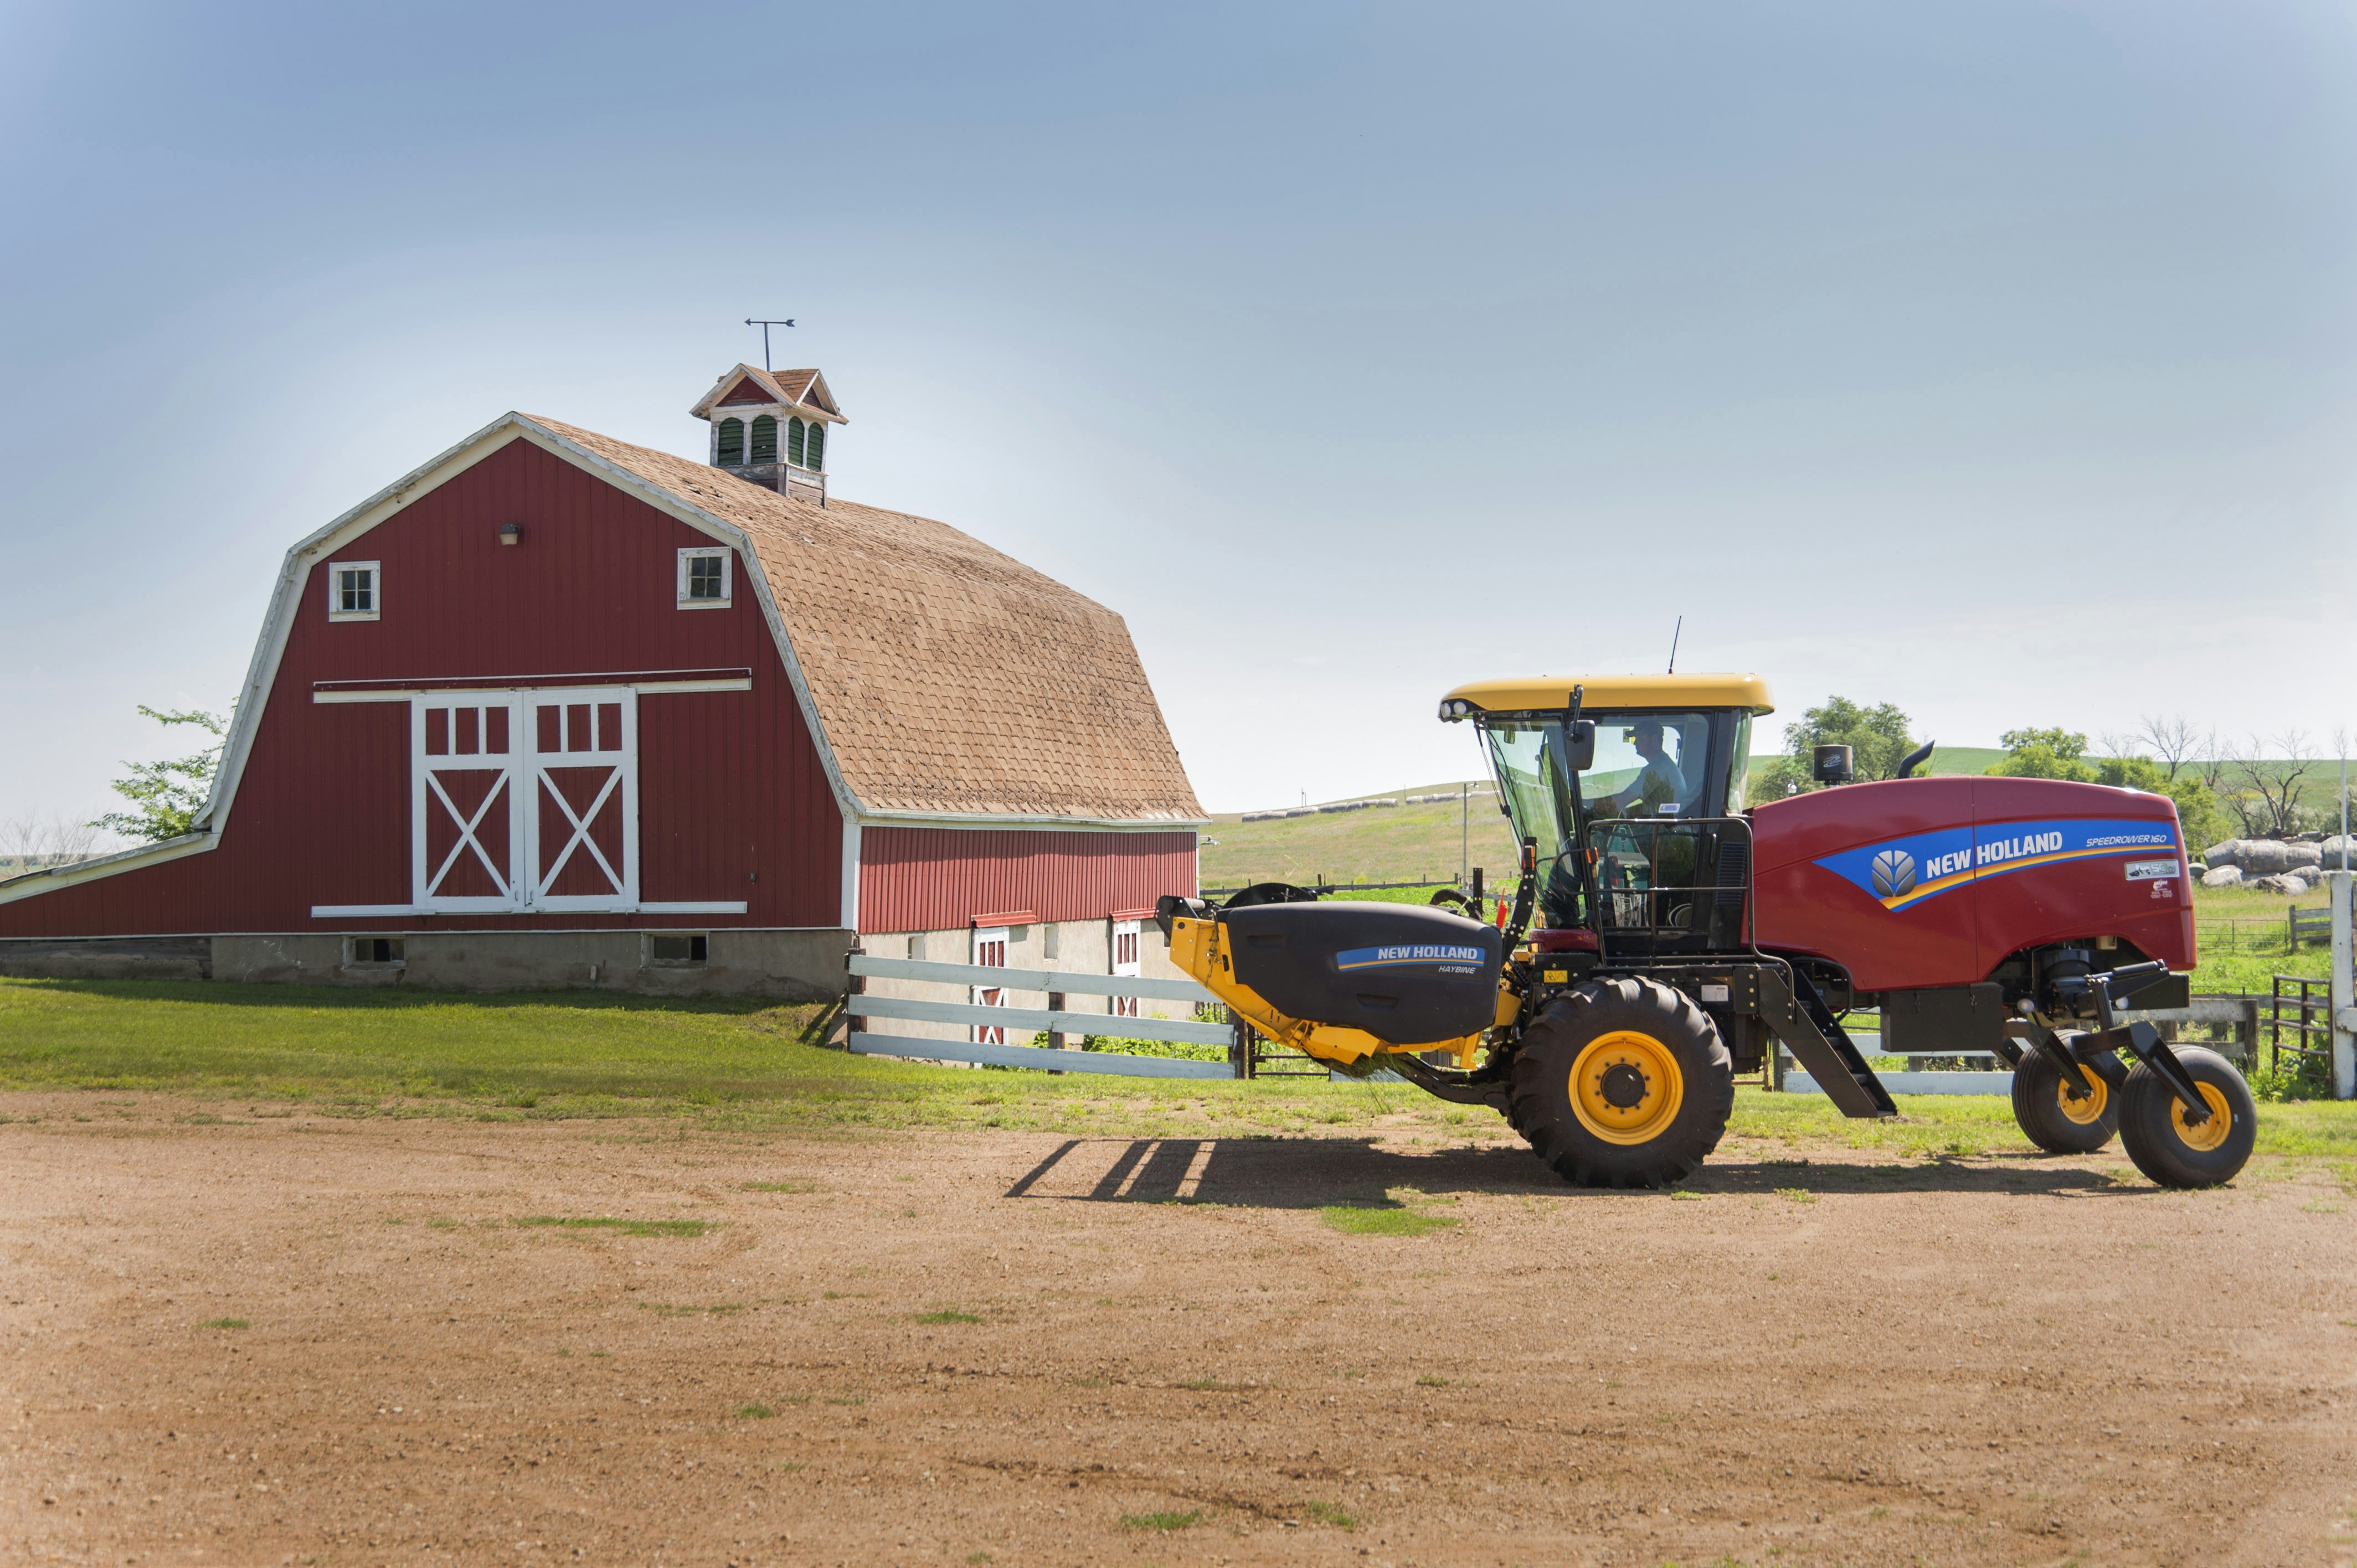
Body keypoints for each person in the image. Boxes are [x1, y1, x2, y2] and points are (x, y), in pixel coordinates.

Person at [1607, 719, 1686, 817]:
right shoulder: (1665, 764)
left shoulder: (1657, 769)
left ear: (1654, 739)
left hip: (1666, 829)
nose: (1635, 743)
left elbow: (1621, 801)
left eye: (1640, 739)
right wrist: (1628, 814)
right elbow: (1656, 808)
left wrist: (1588, 806)